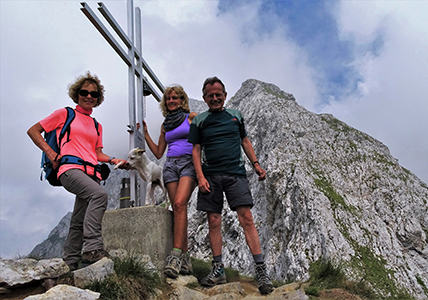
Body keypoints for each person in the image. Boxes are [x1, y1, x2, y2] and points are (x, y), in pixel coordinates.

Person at [27, 72, 128, 271]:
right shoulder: (64, 114)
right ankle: (92, 249)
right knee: (99, 195)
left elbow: (96, 153)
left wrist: (113, 159)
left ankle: (69, 263)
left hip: (91, 173)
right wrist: (51, 153)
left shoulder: (97, 126)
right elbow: (33, 130)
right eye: (84, 92)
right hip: (69, 169)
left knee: (78, 219)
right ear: (77, 94)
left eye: (94, 94)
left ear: (98, 99)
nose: (89, 96)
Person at [188, 76, 274, 295]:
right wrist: (200, 177)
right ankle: (218, 269)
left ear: (225, 96)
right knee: (213, 220)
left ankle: (261, 271)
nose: (215, 98)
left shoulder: (236, 116)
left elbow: (244, 140)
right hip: (210, 176)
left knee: (247, 218)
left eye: (218, 94)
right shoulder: (199, 121)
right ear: (205, 98)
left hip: (236, 173)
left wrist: (256, 165)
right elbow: (195, 149)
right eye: (211, 95)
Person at [138, 85, 197, 278]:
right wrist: (146, 133)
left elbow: (205, 136)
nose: (171, 101)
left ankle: (175, 256)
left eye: (175, 98)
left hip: (189, 163)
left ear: (182, 100)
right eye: (168, 99)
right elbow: (158, 152)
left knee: (180, 203)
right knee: (177, 209)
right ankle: (186, 260)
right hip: (170, 165)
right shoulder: (165, 125)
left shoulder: (192, 117)